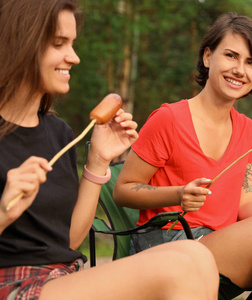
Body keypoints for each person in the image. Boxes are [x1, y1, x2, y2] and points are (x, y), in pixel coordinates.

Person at [0, 1, 219, 299]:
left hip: (62, 277)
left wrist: (99, 160)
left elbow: (71, 240)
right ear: (20, 42)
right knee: (177, 268)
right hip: (12, 284)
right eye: (58, 43)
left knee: (197, 256)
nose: (73, 57)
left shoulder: (58, 132)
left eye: (73, 44)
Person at [114, 12, 252, 300]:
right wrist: (177, 194)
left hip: (222, 247)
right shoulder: (169, 119)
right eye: (231, 56)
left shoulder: (247, 129)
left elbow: (245, 209)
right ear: (208, 57)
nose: (240, 70)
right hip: (168, 245)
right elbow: (123, 190)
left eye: (251, 63)